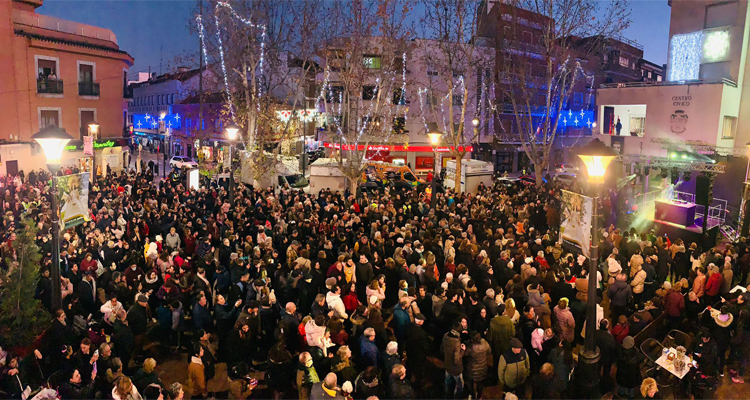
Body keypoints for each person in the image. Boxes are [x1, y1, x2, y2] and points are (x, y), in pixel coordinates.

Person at [441, 320, 466, 399]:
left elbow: (442, 349)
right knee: (459, 385)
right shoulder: (456, 343)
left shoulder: (445, 336)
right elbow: (456, 360)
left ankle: (447, 395)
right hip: (456, 369)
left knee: (447, 382)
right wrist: (463, 350)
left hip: (447, 364)